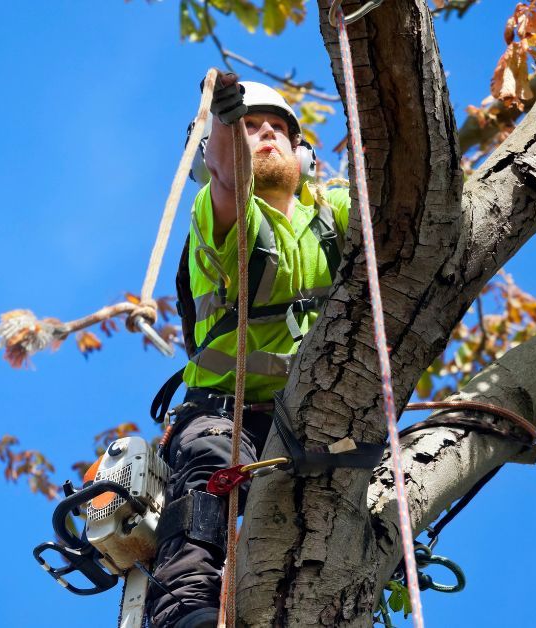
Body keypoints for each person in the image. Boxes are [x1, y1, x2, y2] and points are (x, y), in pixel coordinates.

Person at [145, 72, 349, 628]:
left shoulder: (331, 215)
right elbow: (231, 180)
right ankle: (186, 613)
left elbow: (403, 205)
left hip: (318, 420)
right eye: (250, 126)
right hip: (225, 414)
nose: (263, 134)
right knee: (209, 487)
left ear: (303, 153)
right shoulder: (217, 214)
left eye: (276, 128)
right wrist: (225, 121)